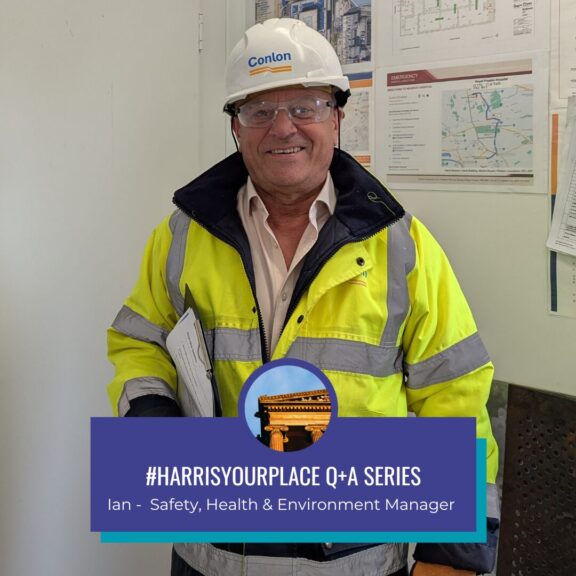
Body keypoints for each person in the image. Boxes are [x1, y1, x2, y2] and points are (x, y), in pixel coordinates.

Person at [107, 17, 499, 576]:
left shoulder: (404, 248)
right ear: (236, 128)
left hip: (353, 560)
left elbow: (454, 395)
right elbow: (137, 341)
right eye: (259, 111)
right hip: (212, 556)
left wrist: (454, 553)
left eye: (305, 106)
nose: (282, 127)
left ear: (338, 118)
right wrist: (151, 418)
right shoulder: (182, 237)